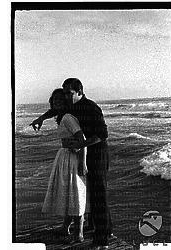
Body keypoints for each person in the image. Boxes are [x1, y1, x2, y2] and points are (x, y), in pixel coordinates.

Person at [31, 78, 112, 249]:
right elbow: (56, 110)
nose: (67, 96)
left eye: (70, 93)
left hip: (97, 154)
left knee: (99, 195)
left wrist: (80, 145)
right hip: (85, 152)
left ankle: (102, 241)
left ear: (79, 92)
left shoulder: (90, 107)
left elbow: (102, 134)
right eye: (65, 92)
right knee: (90, 194)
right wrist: (41, 118)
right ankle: (103, 229)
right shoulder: (72, 105)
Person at [41, 88, 99, 244]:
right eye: (54, 100)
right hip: (65, 156)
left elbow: (83, 139)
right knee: (68, 193)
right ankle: (65, 226)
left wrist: (83, 162)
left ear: (67, 101)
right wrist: (40, 119)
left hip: (73, 158)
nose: (57, 102)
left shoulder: (68, 118)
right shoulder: (62, 116)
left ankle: (78, 233)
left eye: (61, 99)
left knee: (75, 194)